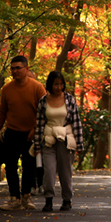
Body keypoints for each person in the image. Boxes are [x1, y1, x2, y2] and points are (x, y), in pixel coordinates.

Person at [0, 55, 47, 210]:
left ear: (26, 69)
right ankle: (14, 199)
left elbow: (44, 111)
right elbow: (2, 111)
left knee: (29, 166)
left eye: (18, 68)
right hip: (12, 132)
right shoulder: (7, 89)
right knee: (10, 166)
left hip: (31, 133)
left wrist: (35, 129)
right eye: (12, 68)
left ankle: (26, 197)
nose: (15, 71)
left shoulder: (37, 87)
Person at [34, 70, 84, 212]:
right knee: (48, 170)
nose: (59, 87)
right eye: (56, 84)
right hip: (49, 139)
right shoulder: (43, 101)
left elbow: (76, 122)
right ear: (50, 84)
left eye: (61, 84)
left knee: (65, 171)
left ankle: (67, 200)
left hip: (66, 139)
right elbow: (39, 124)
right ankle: (48, 199)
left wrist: (79, 144)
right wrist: (37, 145)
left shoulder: (69, 99)